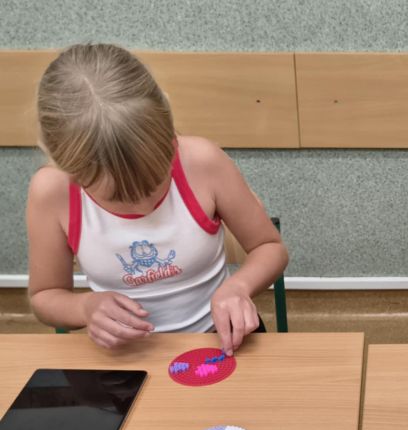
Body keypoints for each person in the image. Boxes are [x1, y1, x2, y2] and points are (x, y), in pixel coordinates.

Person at [27, 43, 288, 355]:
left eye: (153, 183)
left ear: (167, 129)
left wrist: (238, 287)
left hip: (218, 340)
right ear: (66, 166)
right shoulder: (51, 192)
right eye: (116, 196)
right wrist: (85, 307)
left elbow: (270, 247)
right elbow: (45, 296)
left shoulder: (202, 162)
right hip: (125, 357)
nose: (140, 204)